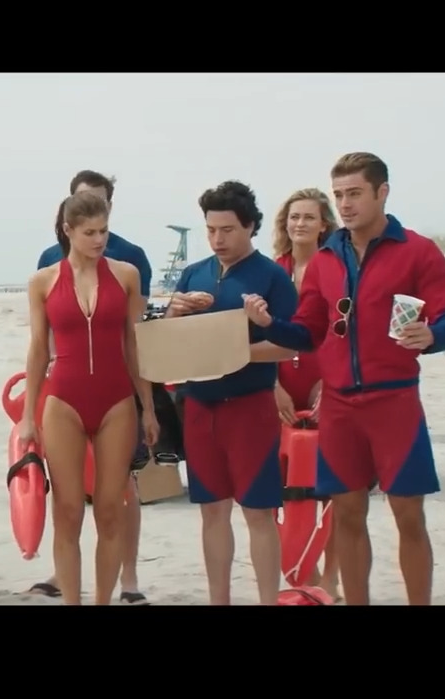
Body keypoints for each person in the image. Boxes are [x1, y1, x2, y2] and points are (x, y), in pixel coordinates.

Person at [244, 152, 445, 606]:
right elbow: (308, 331)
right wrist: (268, 323)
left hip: (395, 401)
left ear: (382, 192)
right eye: (339, 194)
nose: (344, 204)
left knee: (408, 516)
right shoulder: (326, 258)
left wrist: (432, 334)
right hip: (341, 407)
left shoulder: (418, 251)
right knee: (347, 516)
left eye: (355, 193)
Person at [17, 191, 159, 606]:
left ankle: (102, 600)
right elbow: (38, 350)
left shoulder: (127, 274)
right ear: (68, 231)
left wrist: (147, 406)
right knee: (68, 511)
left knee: (110, 509)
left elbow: (135, 345)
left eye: (104, 231)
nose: (99, 240)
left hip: (117, 400)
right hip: (63, 401)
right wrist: (28, 415)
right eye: (90, 232)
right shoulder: (42, 281)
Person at [167, 180, 296, 606]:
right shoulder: (194, 273)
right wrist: (175, 313)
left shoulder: (273, 277)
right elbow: (170, 343)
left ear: (251, 227)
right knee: (212, 510)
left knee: (259, 511)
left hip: (250, 406)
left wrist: (235, 350)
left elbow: (290, 344)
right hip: (200, 406)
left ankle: (267, 599)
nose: (218, 239)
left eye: (228, 230)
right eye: (210, 230)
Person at [270, 186, 341, 599]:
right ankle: (305, 571)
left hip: (324, 387)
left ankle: (330, 577)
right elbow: (256, 335)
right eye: (294, 217)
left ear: (323, 225)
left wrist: (330, 381)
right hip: (278, 388)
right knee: (284, 491)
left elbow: (343, 333)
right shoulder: (273, 271)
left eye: (308, 218)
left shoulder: (335, 269)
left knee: (330, 491)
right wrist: (272, 385)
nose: (300, 224)